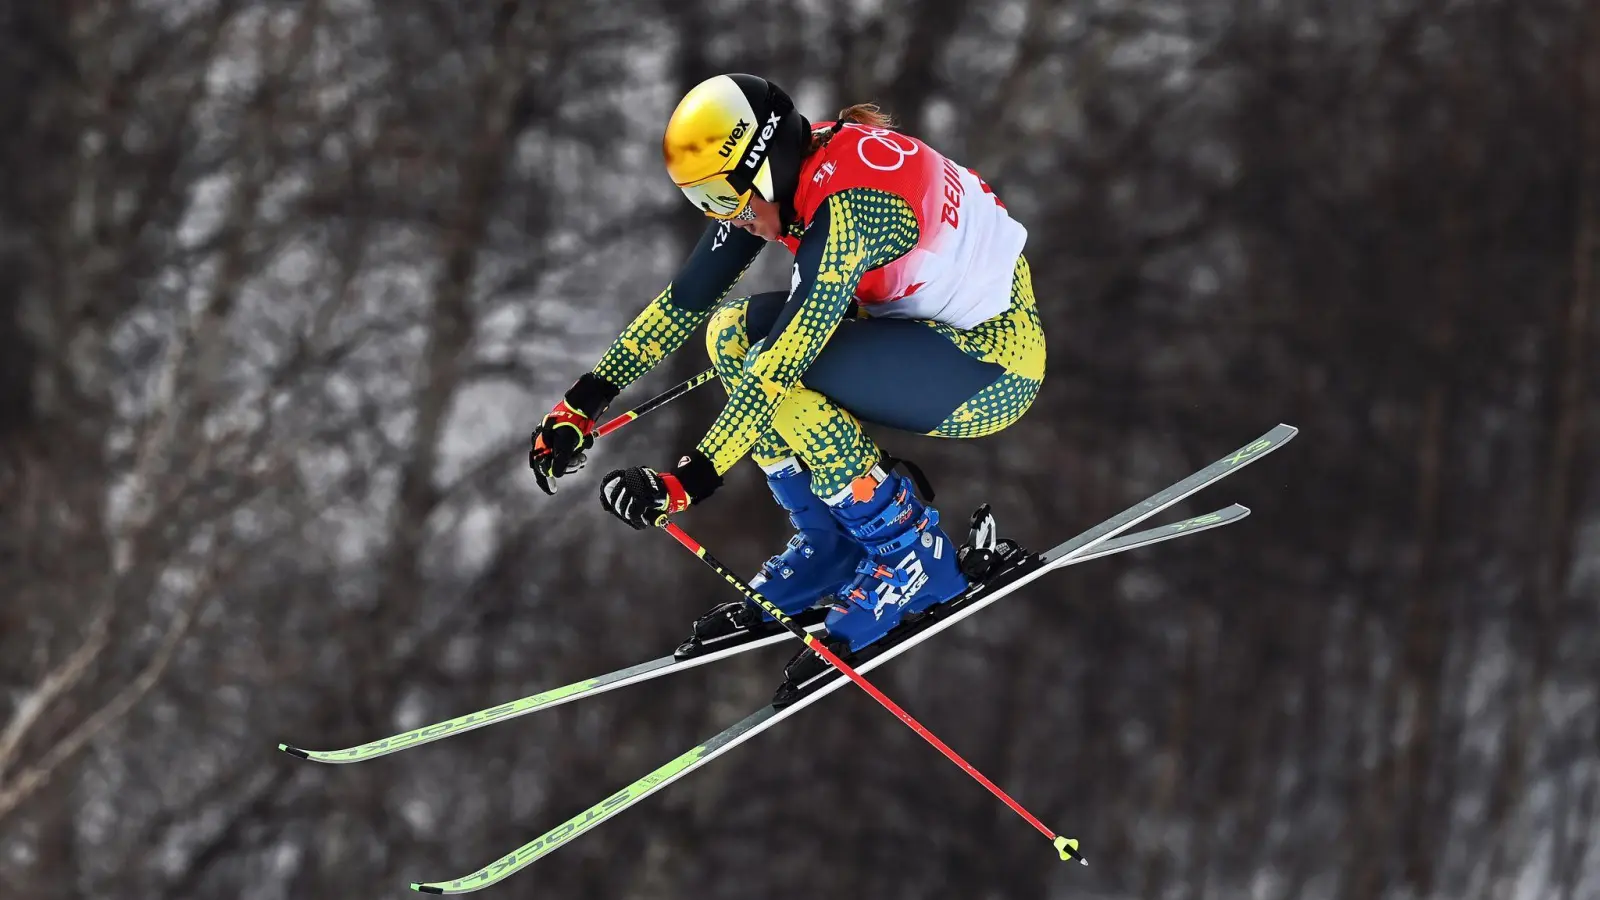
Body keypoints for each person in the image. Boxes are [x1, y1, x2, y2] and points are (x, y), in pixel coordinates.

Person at [530, 73, 1045, 665]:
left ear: (765, 165)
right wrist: (583, 401)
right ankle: (832, 545)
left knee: (778, 378)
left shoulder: (849, 211)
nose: (725, 216)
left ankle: (911, 554)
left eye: (724, 198)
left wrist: (686, 482)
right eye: (704, 202)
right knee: (729, 332)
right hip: (925, 336)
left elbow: (779, 368)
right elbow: (685, 303)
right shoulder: (792, 173)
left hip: (992, 366)